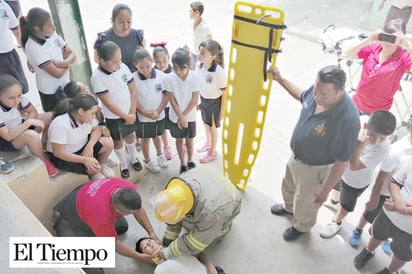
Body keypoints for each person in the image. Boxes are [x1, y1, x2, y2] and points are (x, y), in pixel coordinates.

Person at [269, 65, 360, 241]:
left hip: (315, 168)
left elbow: (342, 161)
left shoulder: (348, 120)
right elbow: (302, 95)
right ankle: (289, 208)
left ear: (340, 90)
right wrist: (280, 79)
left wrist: (326, 190)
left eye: (324, 94)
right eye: (316, 89)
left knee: (306, 202)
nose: (317, 96)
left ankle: (301, 226)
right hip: (296, 157)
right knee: (288, 186)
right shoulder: (317, 91)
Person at [52, 177, 160, 273]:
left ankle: (97, 234)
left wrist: (151, 232)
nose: (150, 243)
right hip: (68, 221)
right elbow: (114, 244)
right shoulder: (101, 216)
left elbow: (139, 210)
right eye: (131, 213)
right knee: (93, 270)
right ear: (117, 210)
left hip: (84, 199)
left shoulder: (127, 187)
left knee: (122, 226)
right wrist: (140, 256)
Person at [319, 110, 396, 239]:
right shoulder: (360, 121)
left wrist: (359, 146)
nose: (376, 141)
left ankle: (336, 222)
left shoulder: (383, 149)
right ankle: (334, 202)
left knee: (346, 203)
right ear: (366, 126)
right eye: (372, 135)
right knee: (337, 188)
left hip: (356, 181)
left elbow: (355, 167)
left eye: (382, 138)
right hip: (341, 168)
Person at [150, 169, 241, 264]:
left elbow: (196, 242)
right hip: (209, 180)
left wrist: (168, 252)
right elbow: (173, 214)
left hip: (230, 199)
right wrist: (167, 241)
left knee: (212, 233)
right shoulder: (179, 186)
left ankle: (224, 229)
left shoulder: (211, 213)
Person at [349, 120, 412, 252]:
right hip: (384, 191)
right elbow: (381, 178)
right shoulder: (397, 151)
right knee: (370, 213)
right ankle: (358, 229)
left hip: (402, 196)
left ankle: (385, 238)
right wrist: (374, 198)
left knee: (389, 221)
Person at [91, 40, 142, 179]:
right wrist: (125, 116)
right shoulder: (97, 77)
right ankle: (123, 164)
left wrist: (131, 112)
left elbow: (133, 90)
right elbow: (108, 103)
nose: (119, 64)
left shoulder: (123, 67)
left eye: (120, 60)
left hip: (129, 112)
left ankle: (134, 158)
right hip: (114, 116)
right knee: (118, 140)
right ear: (102, 61)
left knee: (130, 136)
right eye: (114, 62)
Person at [353, 159, 412, 274]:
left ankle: (390, 271)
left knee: (403, 253)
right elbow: (395, 181)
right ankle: (368, 251)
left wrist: (401, 208)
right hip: (389, 213)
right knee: (378, 234)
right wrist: (398, 199)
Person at [345, 19, 412, 114]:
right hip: (357, 103)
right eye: (385, 37)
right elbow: (348, 53)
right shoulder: (374, 48)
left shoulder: (403, 57)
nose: (387, 42)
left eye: (392, 39)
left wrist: (408, 45)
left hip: (378, 112)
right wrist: (368, 40)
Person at [0, 74, 59, 176]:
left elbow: (33, 111)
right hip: (6, 140)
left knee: (52, 116)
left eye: (19, 96)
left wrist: (28, 122)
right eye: (11, 98)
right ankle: (44, 161)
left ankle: (43, 144)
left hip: (20, 126)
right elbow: (8, 136)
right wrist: (29, 123)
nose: (17, 100)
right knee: (31, 135)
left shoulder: (19, 98)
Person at [20, 7, 76, 112]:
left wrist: (64, 62)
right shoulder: (33, 47)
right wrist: (69, 63)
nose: (53, 27)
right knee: (55, 119)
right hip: (51, 93)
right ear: (37, 28)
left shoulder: (51, 34)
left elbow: (72, 54)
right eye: (49, 25)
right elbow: (57, 73)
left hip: (65, 83)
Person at [47, 94, 115, 180]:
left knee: (108, 143)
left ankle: (99, 165)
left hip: (83, 147)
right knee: (93, 168)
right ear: (81, 112)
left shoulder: (87, 117)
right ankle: (94, 171)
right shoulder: (60, 125)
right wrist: (85, 160)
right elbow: (59, 153)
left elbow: (97, 130)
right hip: (66, 156)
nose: (94, 116)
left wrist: (90, 145)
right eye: (92, 113)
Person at [132, 48, 168, 173]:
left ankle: (160, 155)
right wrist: (145, 113)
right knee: (145, 138)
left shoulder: (161, 75)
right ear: (135, 65)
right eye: (141, 68)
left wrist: (158, 111)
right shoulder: (133, 79)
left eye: (148, 66)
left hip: (159, 115)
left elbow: (167, 95)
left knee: (157, 135)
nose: (145, 70)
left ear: (152, 62)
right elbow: (134, 100)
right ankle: (147, 161)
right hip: (143, 117)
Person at [164, 48, 200, 174]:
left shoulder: (195, 77)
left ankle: (190, 160)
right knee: (179, 141)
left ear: (189, 66)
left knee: (189, 141)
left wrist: (183, 117)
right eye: (175, 68)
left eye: (182, 69)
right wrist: (180, 117)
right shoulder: (168, 79)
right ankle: (182, 163)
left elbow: (195, 100)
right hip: (175, 116)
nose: (178, 72)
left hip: (190, 116)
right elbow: (172, 101)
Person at [195, 40, 226, 163]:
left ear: (213, 57)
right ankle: (208, 143)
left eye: (203, 53)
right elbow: (199, 84)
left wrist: (222, 111)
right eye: (200, 51)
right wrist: (199, 102)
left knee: (213, 127)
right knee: (205, 123)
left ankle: (213, 152)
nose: (200, 54)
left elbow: (224, 93)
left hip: (215, 102)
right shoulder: (198, 65)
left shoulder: (218, 72)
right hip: (204, 99)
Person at [95, 3, 145, 73]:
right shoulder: (103, 38)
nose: (125, 25)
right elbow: (97, 60)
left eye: (129, 21)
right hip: (114, 76)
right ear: (112, 21)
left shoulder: (138, 36)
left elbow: (143, 58)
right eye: (121, 22)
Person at [135, 237, 226, 274]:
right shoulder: (160, 270)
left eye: (150, 240)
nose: (150, 243)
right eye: (146, 246)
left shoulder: (176, 247)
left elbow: (199, 255)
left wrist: (210, 264)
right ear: (145, 256)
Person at [0, 0, 28, 95]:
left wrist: (27, 54)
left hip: (9, 55)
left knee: (17, 89)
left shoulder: (4, 6)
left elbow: (16, 31)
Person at [152, 42, 173, 160]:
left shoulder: (174, 71)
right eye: (158, 62)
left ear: (169, 58)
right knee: (163, 128)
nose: (161, 64)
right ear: (153, 61)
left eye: (164, 60)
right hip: (160, 106)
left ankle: (183, 143)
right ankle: (166, 146)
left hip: (173, 105)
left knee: (176, 126)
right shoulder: (153, 74)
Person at [189, 1, 213, 70]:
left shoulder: (205, 26)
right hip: (193, 53)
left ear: (197, 13)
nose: (189, 13)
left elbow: (211, 41)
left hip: (201, 56)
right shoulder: (191, 23)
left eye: (190, 11)